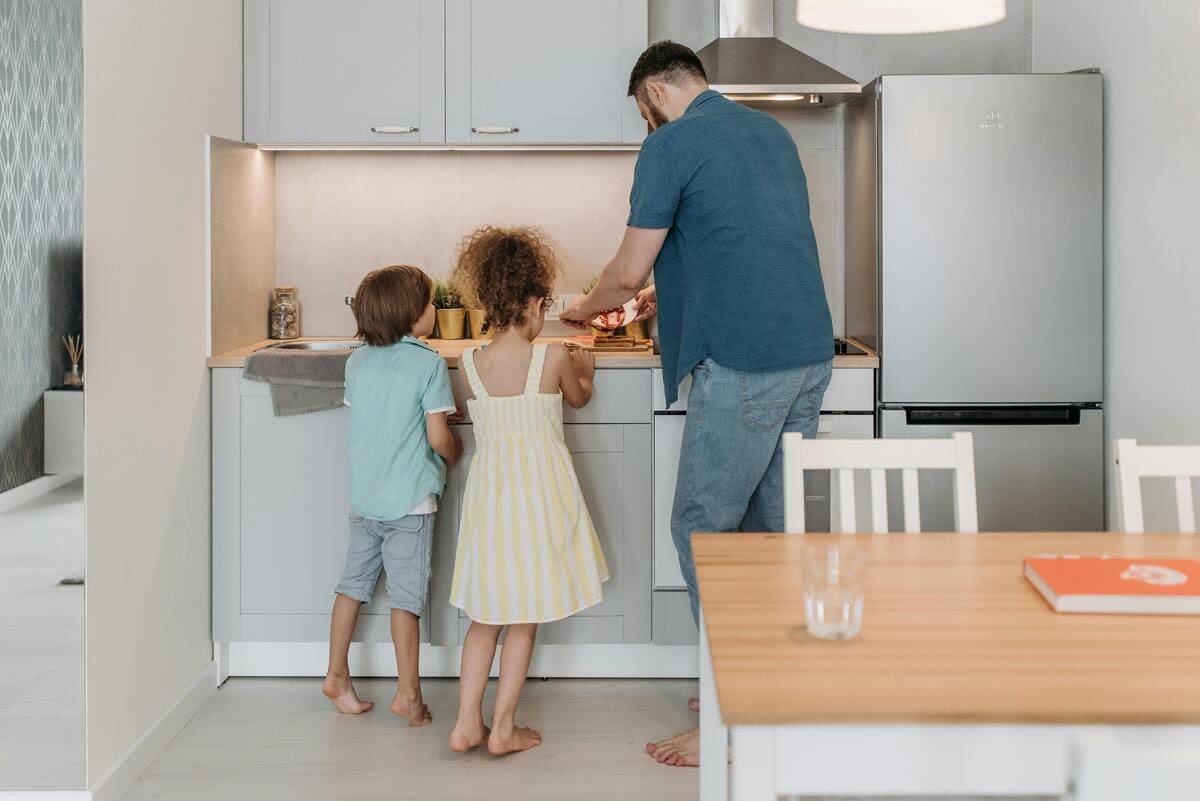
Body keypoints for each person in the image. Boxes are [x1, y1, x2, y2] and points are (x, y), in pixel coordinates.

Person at [561, 41, 835, 767]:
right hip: (808, 354)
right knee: (768, 532)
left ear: (654, 92)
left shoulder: (671, 145)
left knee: (703, 529)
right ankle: (766, 691)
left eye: (643, 110)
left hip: (747, 363)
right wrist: (664, 291)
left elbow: (624, 271)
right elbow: (741, 246)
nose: (646, 122)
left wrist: (581, 311)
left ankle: (726, 717)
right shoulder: (769, 133)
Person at [447, 226, 608, 756]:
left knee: (484, 616)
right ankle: (503, 727)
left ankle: (466, 722)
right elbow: (578, 400)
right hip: (537, 500)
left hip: (491, 501)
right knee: (523, 616)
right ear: (537, 303)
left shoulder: (469, 364)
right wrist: (587, 373)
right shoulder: (555, 356)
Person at [322, 265, 463, 725]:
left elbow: (380, 418)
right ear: (411, 315)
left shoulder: (357, 361)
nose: (434, 309)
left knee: (351, 587)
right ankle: (409, 695)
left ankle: (336, 675)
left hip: (365, 499)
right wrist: (455, 452)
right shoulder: (428, 363)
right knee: (406, 600)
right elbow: (438, 438)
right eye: (428, 302)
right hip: (410, 502)